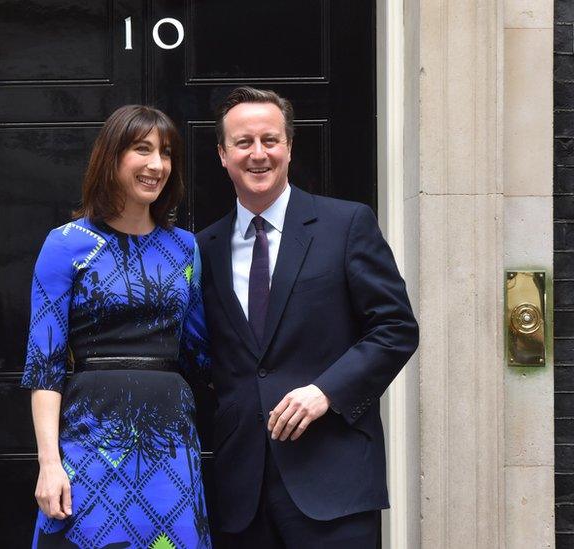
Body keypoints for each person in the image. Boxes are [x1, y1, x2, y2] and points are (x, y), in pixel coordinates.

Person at [196, 87, 419, 547]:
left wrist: (325, 391)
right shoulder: (202, 249)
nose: (259, 154)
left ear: (290, 147)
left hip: (333, 485)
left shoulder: (347, 224)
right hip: (241, 494)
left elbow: (395, 329)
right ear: (222, 154)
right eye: (243, 143)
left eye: (270, 140)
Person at [21, 105, 211, 548]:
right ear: (112, 157)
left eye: (165, 153)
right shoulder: (66, 244)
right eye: (141, 150)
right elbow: (43, 363)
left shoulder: (185, 248)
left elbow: (200, 353)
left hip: (171, 440)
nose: (156, 165)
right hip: (90, 436)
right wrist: (50, 463)